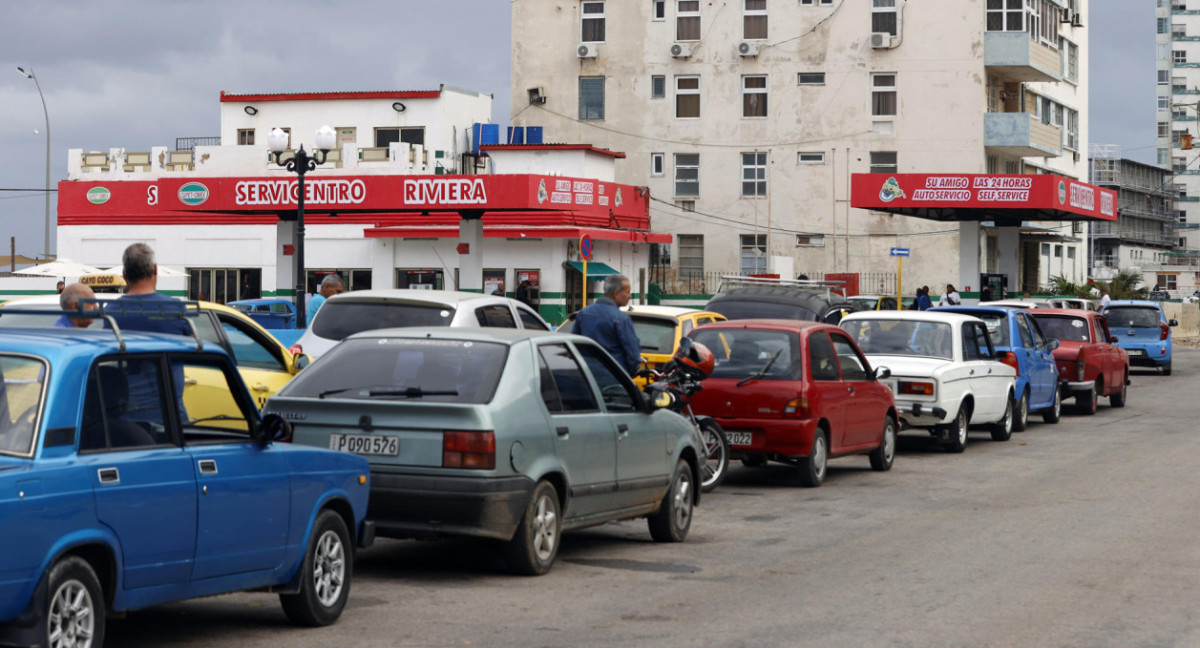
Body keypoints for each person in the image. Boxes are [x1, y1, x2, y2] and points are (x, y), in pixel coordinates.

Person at [111, 242, 190, 336]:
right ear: (155, 269)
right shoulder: (177, 309)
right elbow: (195, 346)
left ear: (124, 275)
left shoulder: (111, 311)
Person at [574, 273, 641, 374]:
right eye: (628, 292)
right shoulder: (621, 319)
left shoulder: (583, 313)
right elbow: (633, 354)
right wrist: (628, 375)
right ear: (616, 294)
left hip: (587, 376)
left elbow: (575, 344)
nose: (629, 296)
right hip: (614, 377)